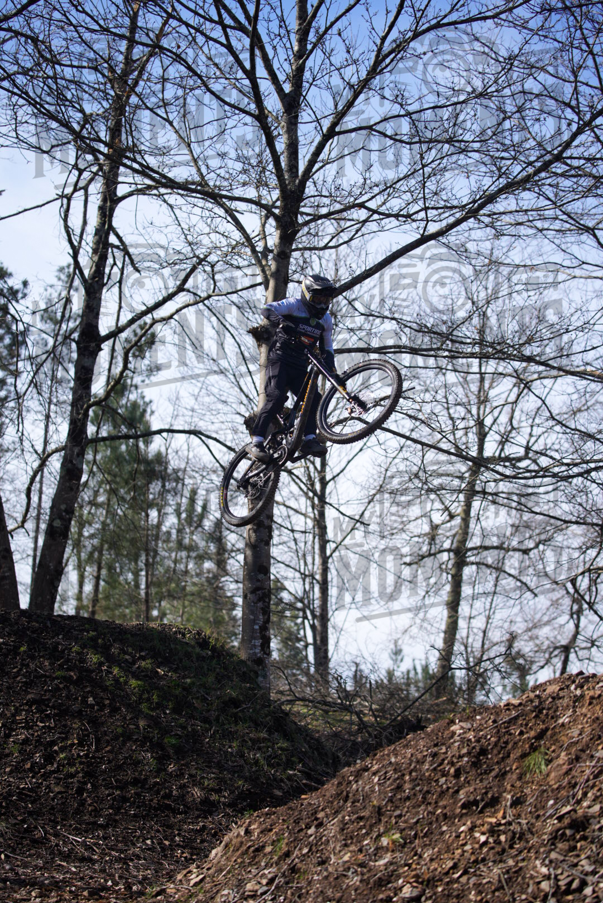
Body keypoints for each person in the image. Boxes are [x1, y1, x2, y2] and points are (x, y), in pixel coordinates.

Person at [249, 274, 337, 462]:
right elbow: (267, 309)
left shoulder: (326, 320)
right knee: (276, 396)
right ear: (306, 295)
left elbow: (327, 348)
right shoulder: (294, 304)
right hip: (279, 360)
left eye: (325, 300)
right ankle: (256, 441)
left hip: (299, 366)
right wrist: (282, 322)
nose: (321, 304)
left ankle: (309, 439)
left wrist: (331, 366)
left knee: (314, 398)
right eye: (317, 299)